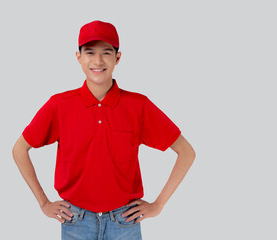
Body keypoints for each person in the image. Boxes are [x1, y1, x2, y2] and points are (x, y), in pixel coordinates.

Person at [12, 20, 196, 240]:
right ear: (78, 57)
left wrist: (158, 205)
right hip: (75, 221)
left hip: (125, 222)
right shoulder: (59, 105)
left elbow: (186, 152)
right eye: (89, 52)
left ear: (117, 58)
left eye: (106, 53)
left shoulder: (139, 106)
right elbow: (19, 149)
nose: (98, 61)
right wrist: (43, 203)